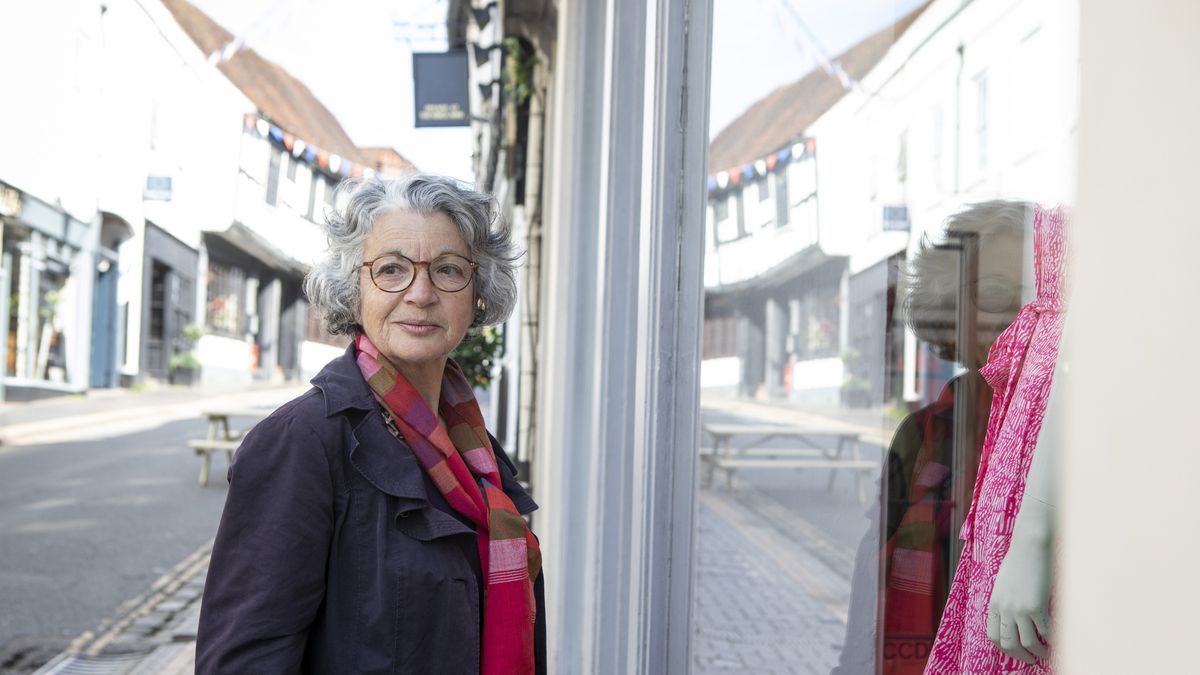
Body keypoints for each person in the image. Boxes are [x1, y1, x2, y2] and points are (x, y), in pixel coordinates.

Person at [195, 174, 544, 674]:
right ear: (353, 288)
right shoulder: (302, 443)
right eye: (391, 269)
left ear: (478, 291)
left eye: (447, 269)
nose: (421, 293)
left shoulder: (472, 449)